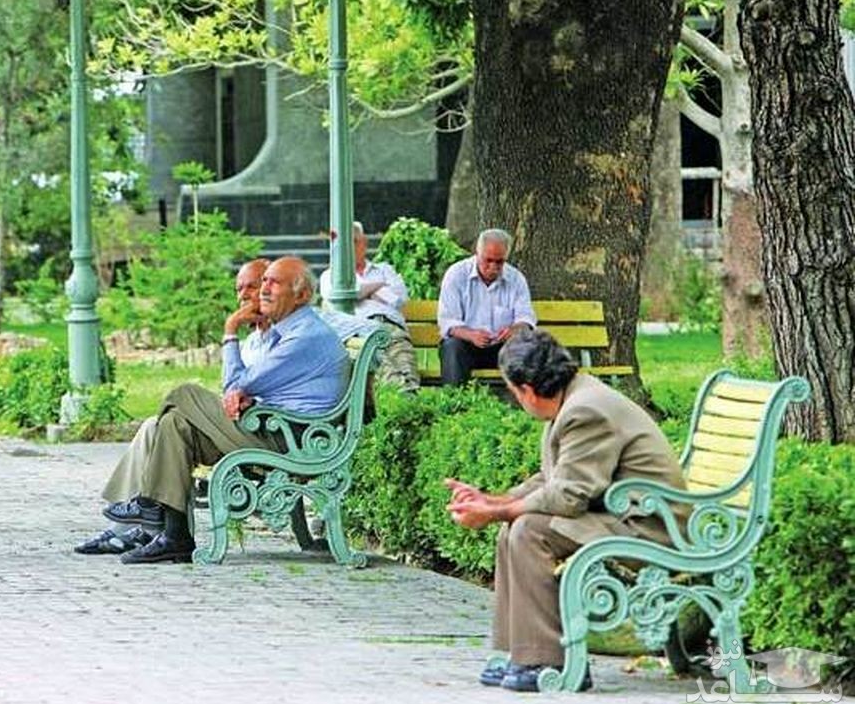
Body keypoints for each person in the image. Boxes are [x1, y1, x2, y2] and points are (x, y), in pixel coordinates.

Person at [445, 329, 687, 692]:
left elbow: (567, 497)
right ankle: (522, 651)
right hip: (624, 516)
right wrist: (492, 500)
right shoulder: (574, 397)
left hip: (650, 529)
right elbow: (552, 479)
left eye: (514, 393)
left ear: (525, 390)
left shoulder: (584, 410)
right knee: (516, 526)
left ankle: (550, 659)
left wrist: (497, 512)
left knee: (527, 531)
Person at [81, 256, 349, 564]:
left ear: (301, 295)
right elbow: (248, 388)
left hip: (290, 440)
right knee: (176, 425)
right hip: (273, 427)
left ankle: (150, 505)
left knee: (183, 394)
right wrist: (247, 396)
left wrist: (231, 329)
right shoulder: (286, 332)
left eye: (273, 282)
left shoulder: (304, 336)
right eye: (264, 282)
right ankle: (175, 537)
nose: (263, 290)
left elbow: (236, 383)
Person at [74, 258, 275, 556]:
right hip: (240, 424)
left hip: (260, 431)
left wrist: (230, 329)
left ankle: (146, 515)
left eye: (252, 286)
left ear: (272, 288)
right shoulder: (253, 342)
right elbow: (231, 388)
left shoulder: (284, 336)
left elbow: (242, 386)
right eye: (239, 288)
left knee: (180, 397)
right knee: (159, 426)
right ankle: (139, 527)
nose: (243, 295)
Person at [319, 221, 419, 391]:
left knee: (405, 364)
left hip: (391, 326)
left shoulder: (384, 270)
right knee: (385, 365)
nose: (349, 248)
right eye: (344, 244)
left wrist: (365, 291)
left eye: (354, 241)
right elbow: (349, 293)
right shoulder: (330, 275)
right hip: (359, 330)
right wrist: (378, 286)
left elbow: (398, 299)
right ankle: (401, 393)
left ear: (364, 243)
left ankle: (410, 400)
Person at [437, 229, 536, 386]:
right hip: (466, 346)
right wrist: (471, 335)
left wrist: (514, 330)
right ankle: (454, 403)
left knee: (525, 346)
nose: (493, 267)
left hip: (502, 348)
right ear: (477, 253)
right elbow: (448, 322)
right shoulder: (456, 275)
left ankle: (523, 406)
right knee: (452, 346)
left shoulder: (516, 279)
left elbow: (525, 318)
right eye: (488, 260)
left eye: (499, 262)